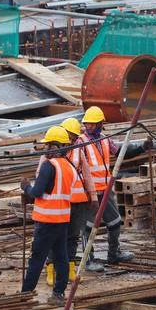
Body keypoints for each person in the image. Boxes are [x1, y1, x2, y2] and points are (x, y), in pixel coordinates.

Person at [80, 106, 152, 271]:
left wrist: (142, 147)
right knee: (88, 228)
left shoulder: (106, 140)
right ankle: (87, 261)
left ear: (100, 124)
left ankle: (114, 253)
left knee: (114, 222)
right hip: (90, 192)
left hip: (105, 190)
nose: (88, 127)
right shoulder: (80, 142)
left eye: (92, 124)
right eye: (87, 124)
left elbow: (121, 152)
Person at [20, 126, 78, 306]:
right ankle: (58, 294)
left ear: (55, 146)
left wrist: (25, 187)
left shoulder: (49, 165)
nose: (45, 150)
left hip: (46, 221)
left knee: (37, 258)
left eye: (47, 146)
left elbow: (37, 192)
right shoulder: (69, 167)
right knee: (61, 257)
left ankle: (25, 296)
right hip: (62, 219)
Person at [39, 118, 98, 287]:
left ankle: (71, 268)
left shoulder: (78, 150)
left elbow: (87, 175)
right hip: (59, 202)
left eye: (73, 137)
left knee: (72, 236)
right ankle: (51, 268)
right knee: (55, 236)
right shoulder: (49, 154)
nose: (72, 140)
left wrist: (93, 197)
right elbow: (41, 176)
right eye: (69, 137)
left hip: (77, 202)